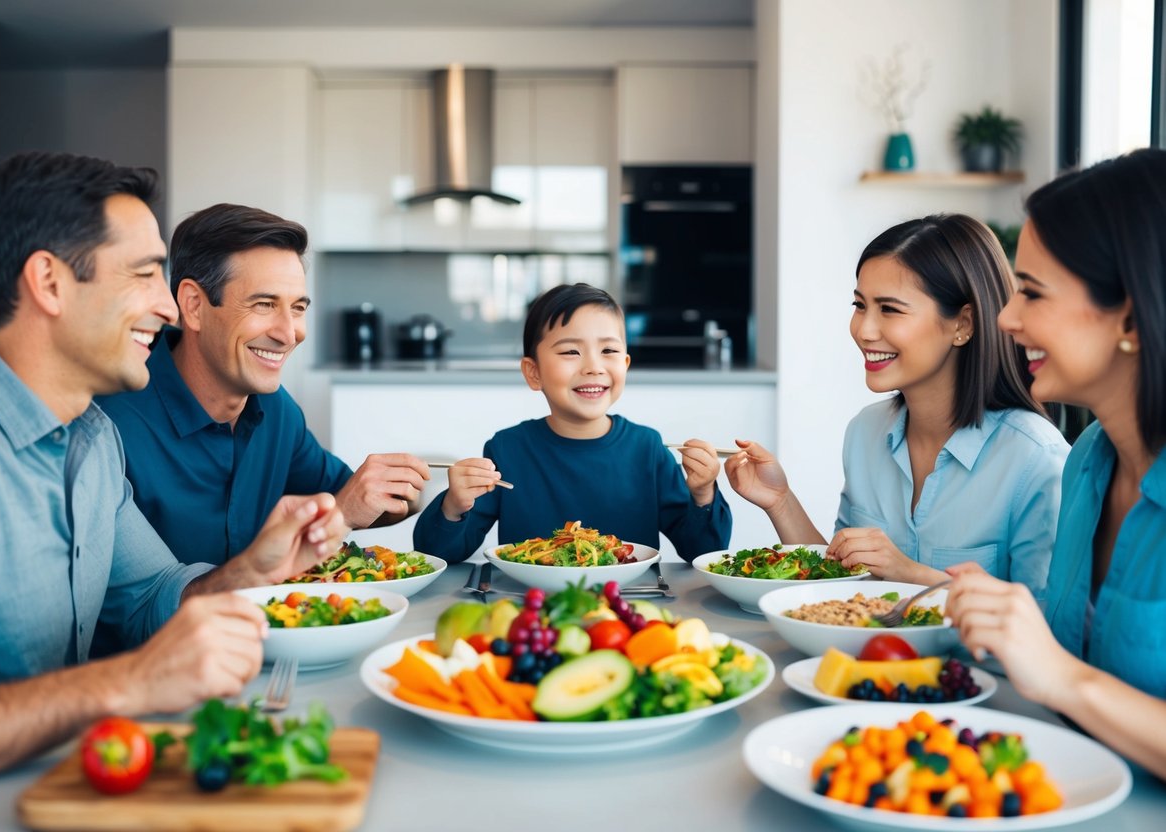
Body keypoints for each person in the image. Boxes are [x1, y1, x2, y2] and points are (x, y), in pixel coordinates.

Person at [0, 152, 348, 782]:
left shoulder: (92, 439)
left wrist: (253, 570)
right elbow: (130, 669)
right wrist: (128, 682)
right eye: (144, 274)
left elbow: (150, 600)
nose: (169, 308)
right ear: (50, 283)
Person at [947, 149, 1166, 778]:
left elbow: (1064, 676)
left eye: (1032, 293)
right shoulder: (1089, 462)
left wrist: (1060, 675)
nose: (1006, 318)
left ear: (1129, 314)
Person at [727, 214, 1068, 595]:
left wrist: (911, 573)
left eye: (889, 309)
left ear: (963, 324)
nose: (864, 330)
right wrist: (780, 501)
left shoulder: (1035, 457)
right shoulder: (865, 432)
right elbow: (840, 579)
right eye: (860, 305)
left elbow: (1047, 623)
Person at [96, 203, 429, 566]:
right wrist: (341, 513)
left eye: (298, 308)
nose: (289, 334)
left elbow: (355, 502)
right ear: (193, 306)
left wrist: (416, 491)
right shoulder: (109, 424)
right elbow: (150, 600)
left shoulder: (276, 409)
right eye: (264, 305)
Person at [412, 283, 731, 563]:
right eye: (570, 351)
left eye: (608, 350)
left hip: (629, 610)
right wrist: (454, 505)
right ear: (533, 372)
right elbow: (439, 554)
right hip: (533, 610)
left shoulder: (647, 448)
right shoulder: (507, 449)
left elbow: (702, 550)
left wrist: (703, 494)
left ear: (625, 364)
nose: (593, 366)